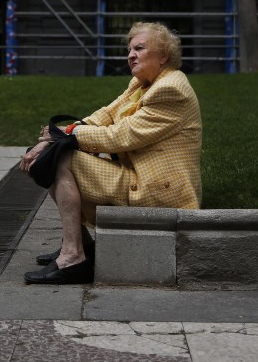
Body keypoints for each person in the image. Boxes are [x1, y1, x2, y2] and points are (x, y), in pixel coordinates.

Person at [19, 21, 202, 284]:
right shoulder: (142, 84)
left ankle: (74, 257)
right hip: (136, 176)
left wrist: (62, 137)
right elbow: (105, 115)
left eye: (139, 48)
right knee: (45, 156)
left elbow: (120, 136)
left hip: (159, 189)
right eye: (129, 50)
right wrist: (56, 137)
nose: (131, 55)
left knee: (60, 158)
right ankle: (79, 243)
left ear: (163, 56)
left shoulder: (170, 90)